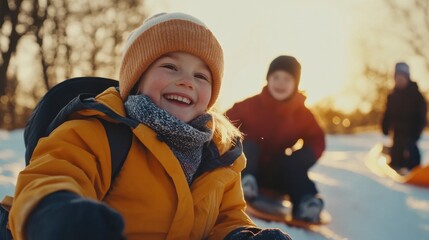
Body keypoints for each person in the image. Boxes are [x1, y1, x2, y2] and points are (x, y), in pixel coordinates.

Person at [8, 12, 292, 240]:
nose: (187, 81)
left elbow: (226, 215)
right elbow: (52, 174)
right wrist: (58, 214)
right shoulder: (98, 129)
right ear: (137, 78)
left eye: (201, 76)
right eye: (170, 66)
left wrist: (242, 234)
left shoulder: (219, 156)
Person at [225, 55, 326, 223]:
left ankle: (306, 202)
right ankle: (245, 184)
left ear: (296, 84)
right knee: (250, 146)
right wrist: (230, 149)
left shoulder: (301, 113)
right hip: (249, 167)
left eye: (287, 79)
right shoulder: (252, 105)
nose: (280, 83)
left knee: (291, 164)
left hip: (278, 172)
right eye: (276, 77)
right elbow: (225, 123)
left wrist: (302, 158)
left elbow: (317, 139)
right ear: (268, 79)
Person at [381, 62, 427, 173]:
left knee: (411, 150)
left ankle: (414, 170)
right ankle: (395, 163)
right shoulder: (392, 95)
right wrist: (385, 126)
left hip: (412, 132)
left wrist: (417, 132)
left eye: (402, 77)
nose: (400, 80)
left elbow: (422, 115)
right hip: (397, 131)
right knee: (397, 149)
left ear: (407, 77)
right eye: (398, 78)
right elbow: (387, 113)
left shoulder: (416, 95)